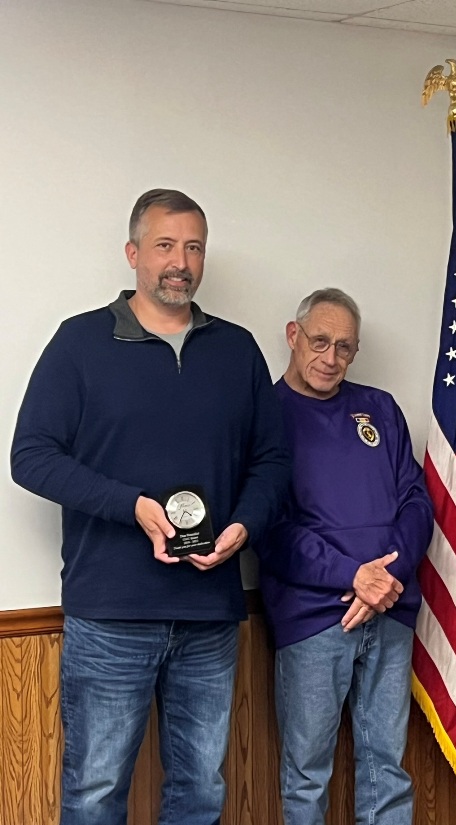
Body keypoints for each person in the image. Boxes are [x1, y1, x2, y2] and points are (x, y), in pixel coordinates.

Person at [11, 188, 291, 825]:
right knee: (95, 794)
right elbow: (30, 455)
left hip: (209, 614)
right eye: (165, 245)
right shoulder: (80, 342)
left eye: (194, 247)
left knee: (200, 793)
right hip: (111, 614)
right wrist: (130, 506)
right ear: (133, 253)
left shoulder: (238, 349)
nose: (180, 262)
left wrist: (243, 526)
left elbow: (273, 462)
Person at [258, 288, 434, 825]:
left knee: (388, 769)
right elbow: (268, 527)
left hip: (391, 609)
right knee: (307, 774)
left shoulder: (379, 408)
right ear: (293, 336)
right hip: (313, 620)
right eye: (319, 342)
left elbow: (416, 501)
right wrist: (353, 576)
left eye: (344, 347)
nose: (330, 358)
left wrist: (384, 578)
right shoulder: (263, 415)